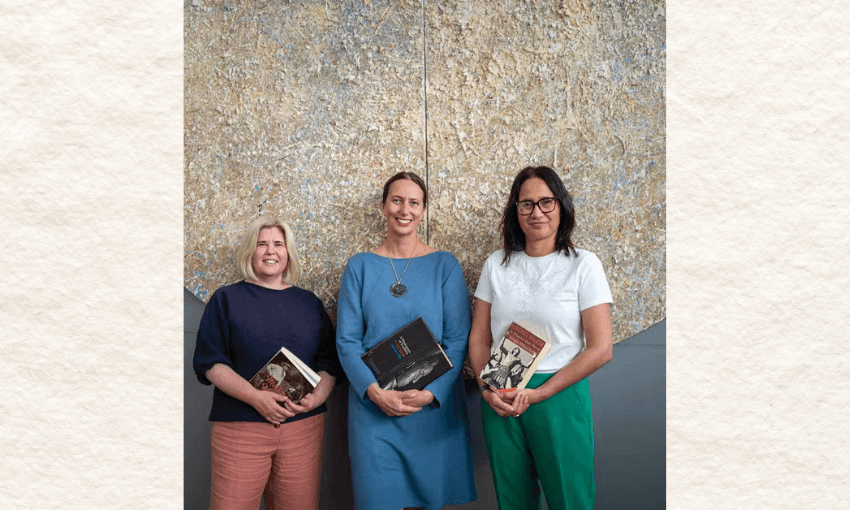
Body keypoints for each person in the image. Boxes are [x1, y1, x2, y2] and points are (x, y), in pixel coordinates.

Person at [468, 166, 614, 510]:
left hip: (558, 395)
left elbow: (601, 348)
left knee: (570, 500)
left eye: (546, 202)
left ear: (561, 207)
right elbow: (479, 339)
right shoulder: (496, 265)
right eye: (527, 204)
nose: (536, 212)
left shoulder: (584, 265)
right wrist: (487, 390)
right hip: (501, 396)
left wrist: (540, 393)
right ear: (515, 211)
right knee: (512, 500)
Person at [336, 172, 477, 510]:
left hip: (430, 408)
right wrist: (374, 392)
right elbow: (347, 341)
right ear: (384, 206)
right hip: (374, 411)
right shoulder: (359, 267)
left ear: (424, 210)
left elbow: (458, 339)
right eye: (397, 200)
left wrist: (431, 393)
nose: (405, 209)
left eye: (414, 202)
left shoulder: (445, 265)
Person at [192, 216, 342, 510]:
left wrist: (318, 397)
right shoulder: (226, 299)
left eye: (278, 244)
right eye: (262, 244)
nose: (270, 251)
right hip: (241, 427)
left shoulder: (309, 302)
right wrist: (256, 398)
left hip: (303, 427)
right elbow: (211, 363)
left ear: (288, 254)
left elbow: (329, 362)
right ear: (250, 251)